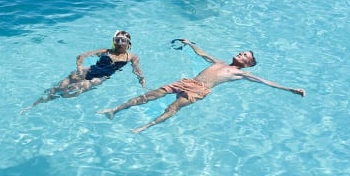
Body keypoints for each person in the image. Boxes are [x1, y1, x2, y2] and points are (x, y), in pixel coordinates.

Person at [98, 38, 304, 134]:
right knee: (151, 95)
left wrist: (290, 89)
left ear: (247, 64)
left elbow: (265, 82)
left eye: (244, 56)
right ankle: (115, 110)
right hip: (188, 82)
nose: (240, 54)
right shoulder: (220, 62)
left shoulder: (241, 73)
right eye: (242, 52)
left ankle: (145, 126)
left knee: (172, 108)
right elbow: (203, 54)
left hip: (200, 90)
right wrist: (190, 44)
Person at [21, 31, 145, 114]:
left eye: (123, 40)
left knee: (70, 92)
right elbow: (81, 56)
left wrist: (141, 78)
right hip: (88, 70)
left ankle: (51, 101)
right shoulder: (106, 51)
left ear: (128, 44)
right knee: (58, 88)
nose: (119, 43)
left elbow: (136, 68)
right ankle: (33, 106)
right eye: (117, 40)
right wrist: (80, 68)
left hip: (100, 77)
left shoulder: (132, 57)